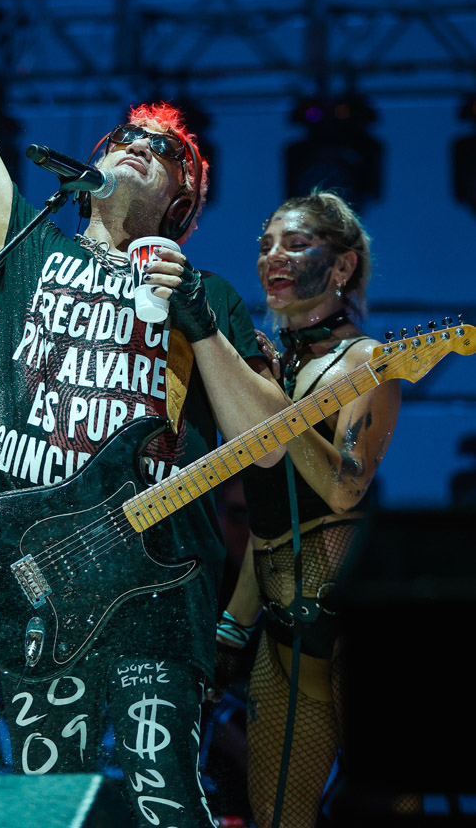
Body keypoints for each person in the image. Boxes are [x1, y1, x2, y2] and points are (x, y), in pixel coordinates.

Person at [0, 0, 288, 828]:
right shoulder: (26, 245)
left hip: (156, 583)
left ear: (183, 199)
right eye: (127, 135)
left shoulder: (207, 293)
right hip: (33, 575)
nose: (140, 143)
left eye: (164, 148)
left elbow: (270, 444)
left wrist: (195, 319)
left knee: (165, 800)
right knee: (43, 809)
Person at [212, 190, 405, 827]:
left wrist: (275, 408)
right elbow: (269, 520)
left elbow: (346, 489)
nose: (274, 257)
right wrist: (232, 628)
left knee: (393, 808)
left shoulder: (367, 362)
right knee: (277, 818)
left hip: (354, 631)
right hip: (280, 636)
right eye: (266, 245)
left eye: (296, 244)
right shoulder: (271, 371)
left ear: (343, 265)